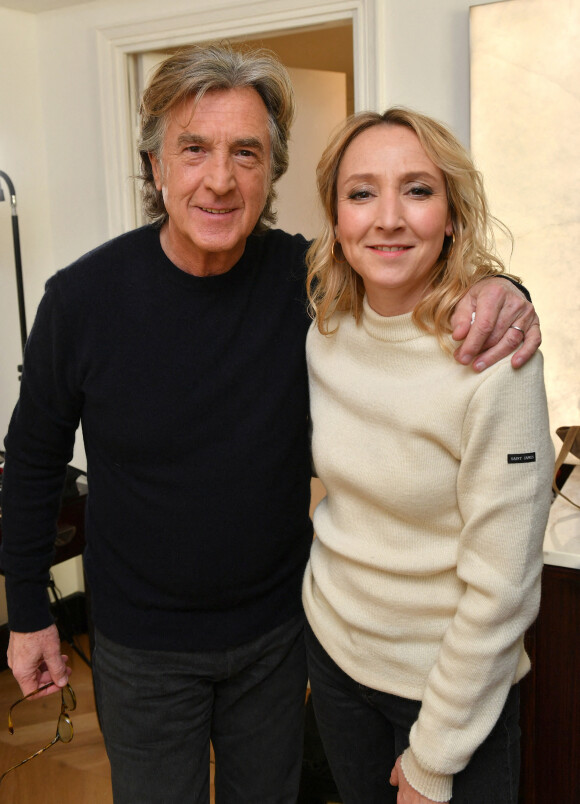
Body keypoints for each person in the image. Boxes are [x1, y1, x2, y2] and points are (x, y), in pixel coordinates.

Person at [1, 44, 540, 804]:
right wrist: (28, 610)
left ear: (273, 172)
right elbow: (32, 459)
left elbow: (407, 256)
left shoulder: (311, 282)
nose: (219, 179)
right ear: (156, 166)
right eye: (194, 149)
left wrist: (505, 290)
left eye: (245, 153)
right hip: (141, 647)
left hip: (280, 638)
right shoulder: (81, 300)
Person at [302, 107, 554, 804]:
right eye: (361, 193)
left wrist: (433, 758)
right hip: (337, 661)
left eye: (416, 189)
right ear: (335, 216)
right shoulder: (325, 328)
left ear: (452, 215)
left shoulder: (495, 358)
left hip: (450, 696)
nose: (387, 218)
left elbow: (503, 589)